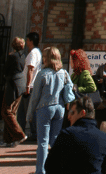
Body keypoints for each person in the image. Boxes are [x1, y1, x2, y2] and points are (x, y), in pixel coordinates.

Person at [26, 46, 72, 174]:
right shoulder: (64, 73)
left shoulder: (42, 74)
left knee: (43, 142)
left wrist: (29, 113)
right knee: (55, 140)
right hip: (60, 108)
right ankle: (58, 168)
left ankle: (41, 171)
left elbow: (35, 98)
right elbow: (69, 89)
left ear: (46, 58)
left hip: (45, 107)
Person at [45, 96, 106, 174]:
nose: (69, 116)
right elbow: (104, 170)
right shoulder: (105, 138)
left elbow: (49, 165)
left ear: (82, 113)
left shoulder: (67, 134)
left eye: (72, 112)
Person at [0, 37, 27, 147]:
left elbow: (5, 70)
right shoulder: (23, 56)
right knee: (12, 112)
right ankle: (8, 139)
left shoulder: (12, 56)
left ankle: (19, 134)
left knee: (6, 111)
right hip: (21, 83)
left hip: (13, 84)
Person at [17, 31, 42, 142]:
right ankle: (21, 132)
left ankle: (34, 133)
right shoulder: (36, 52)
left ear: (31, 41)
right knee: (23, 111)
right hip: (30, 85)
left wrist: (27, 85)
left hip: (30, 86)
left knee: (28, 111)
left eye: (27, 40)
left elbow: (30, 69)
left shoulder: (33, 53)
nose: (26, 42)